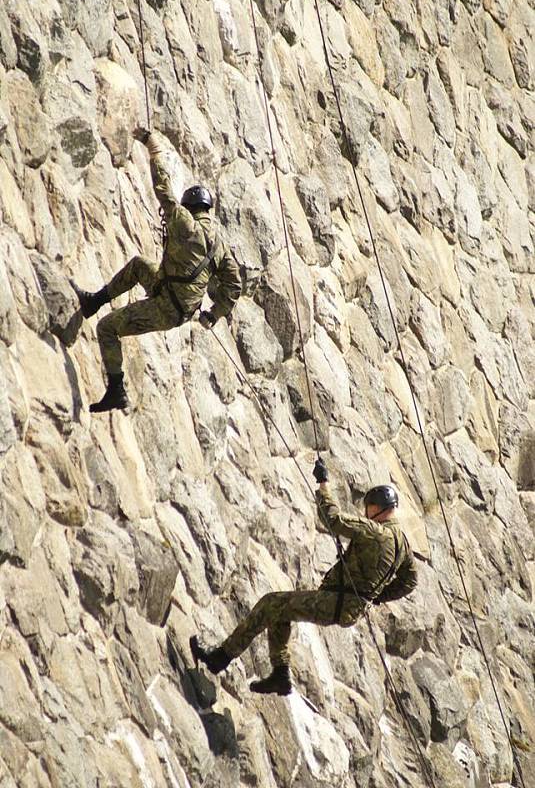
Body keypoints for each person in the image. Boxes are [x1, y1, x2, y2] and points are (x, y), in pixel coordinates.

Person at [190, 459, 418, 696]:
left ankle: (219, 658)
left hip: (338, 602)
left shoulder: (376, 532)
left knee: (271, 603)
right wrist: (376, 597)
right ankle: (280, 675)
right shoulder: (403, 545)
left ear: (378, 508)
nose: (366, 512)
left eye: (369, 508)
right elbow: (410, 581)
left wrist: (323, 484)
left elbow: (333, 519)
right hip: (349, 605)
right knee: (280, 611)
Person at [74, 129, 242, 412]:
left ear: (190, 208)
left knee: (107, 328)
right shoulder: (220, 246)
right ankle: (94, 302)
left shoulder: (184, 222)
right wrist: (213, 315)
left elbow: (163, 188)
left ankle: (116, 389)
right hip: (175, 299)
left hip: (167, 307)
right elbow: (234, 285)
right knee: (140, 265)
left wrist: (153, 147)